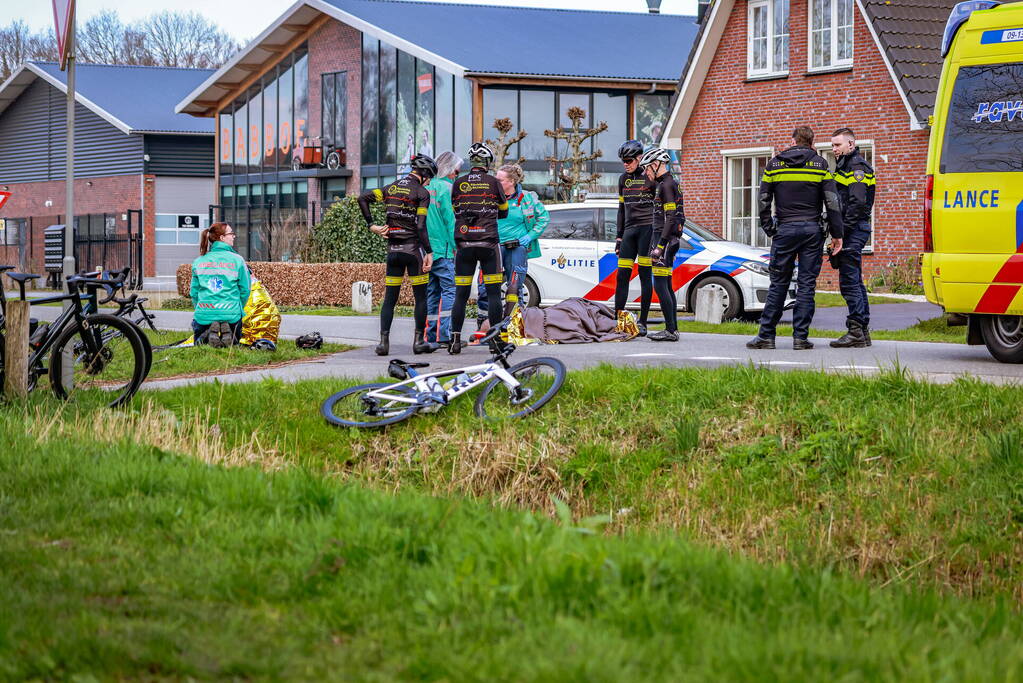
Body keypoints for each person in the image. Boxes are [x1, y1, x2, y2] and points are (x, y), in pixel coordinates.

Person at [747, 126, 843, 350]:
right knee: (807, 285)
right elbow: (832, 202)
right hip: (812, 231)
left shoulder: (775, 164)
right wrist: (837, 234)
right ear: (812, 143)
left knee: (778, 283)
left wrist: (769, 227)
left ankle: (766, 336)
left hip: (785, 230)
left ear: (792, 141)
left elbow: (762, 199)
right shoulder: (820, 164)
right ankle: (800, 338)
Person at [358, 153, 438, 356]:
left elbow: (362, 198)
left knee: (390, 298)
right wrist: (429, 251)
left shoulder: (391, 188)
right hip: (413, 251)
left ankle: (383, 343)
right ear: (426, 174)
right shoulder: (421, 192)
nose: (428, 181)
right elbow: (420, 226)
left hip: (393, 250)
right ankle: (419, 342)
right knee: (420, 298)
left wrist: (372, 225)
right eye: (429, 178)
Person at [448, 142, 508, 354]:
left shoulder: (458, 183)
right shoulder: (493, 182)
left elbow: (455, 209)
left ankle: (454, 341)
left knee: (460, 295)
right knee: (493, 294)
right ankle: (496, 342)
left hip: (464, 244)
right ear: (488, 162)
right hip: (488, 244)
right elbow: (504, 211)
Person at [476, 163, 550, 323]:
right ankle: (483, 325)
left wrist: (530, 236)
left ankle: (515, 326)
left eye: (500, 180)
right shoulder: (489, 198)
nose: (495, 182)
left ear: (511, 182)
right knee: (484, 287)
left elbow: (544, 218)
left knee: (515, 287)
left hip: (516, 248)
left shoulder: (527, 198)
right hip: (492, 247)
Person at [829, 127, 876, 348]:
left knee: (849, 282)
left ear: (851, 144)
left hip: (853, 230)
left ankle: (856, 330)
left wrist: (841, 232)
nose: (834, 149)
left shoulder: (857, 167)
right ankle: (862, 332)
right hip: (853, 229)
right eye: (832, 145)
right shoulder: (845, 166)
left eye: (838, 145)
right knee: (854, 280)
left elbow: (856, 204)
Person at [640, 147, 685, 342]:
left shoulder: (666, 186)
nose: (646, 173)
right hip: (668, 239)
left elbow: (671, 217)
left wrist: (660, 245)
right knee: (666, 284)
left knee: (659, 285)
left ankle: (669, 330)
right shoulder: (668, 183)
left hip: (663, 239)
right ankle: (673, 328)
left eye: (648, 168)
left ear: (656, 164)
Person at [613, 139, 656, 336]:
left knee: (645, 276)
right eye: (623, 161)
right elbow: (621, 210)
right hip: (629, 231)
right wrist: (619, 237)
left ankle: (643, 322)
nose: (626, 164)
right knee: (622, 277)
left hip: (647, 230)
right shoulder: (623, 179)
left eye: (629, 160)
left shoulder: (650, 177)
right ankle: (618, 320)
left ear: (639, 159)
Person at [189, 222, 251, 348]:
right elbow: (245, 290)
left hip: (204, 313)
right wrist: (238, 308)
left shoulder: (199, 261)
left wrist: (200, 308)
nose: (234, 236)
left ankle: (204, 338)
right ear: (222, 238)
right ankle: (229, 337)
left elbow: (194, 292)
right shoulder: (237, 260)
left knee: (200, 348)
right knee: (235, 346)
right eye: (231, 233)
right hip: (231, 313)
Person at [425, 151, 461, 346]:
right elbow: (451, 220)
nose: (457, 174)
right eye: (457, 170)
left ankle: (430, 335)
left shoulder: (427, 186)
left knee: (431, 293)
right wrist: (457, 246)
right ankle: (444, 334)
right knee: (449, 291)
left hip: (427, 251)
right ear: (450, 169)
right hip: (444, 249)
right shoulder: (447, 189)